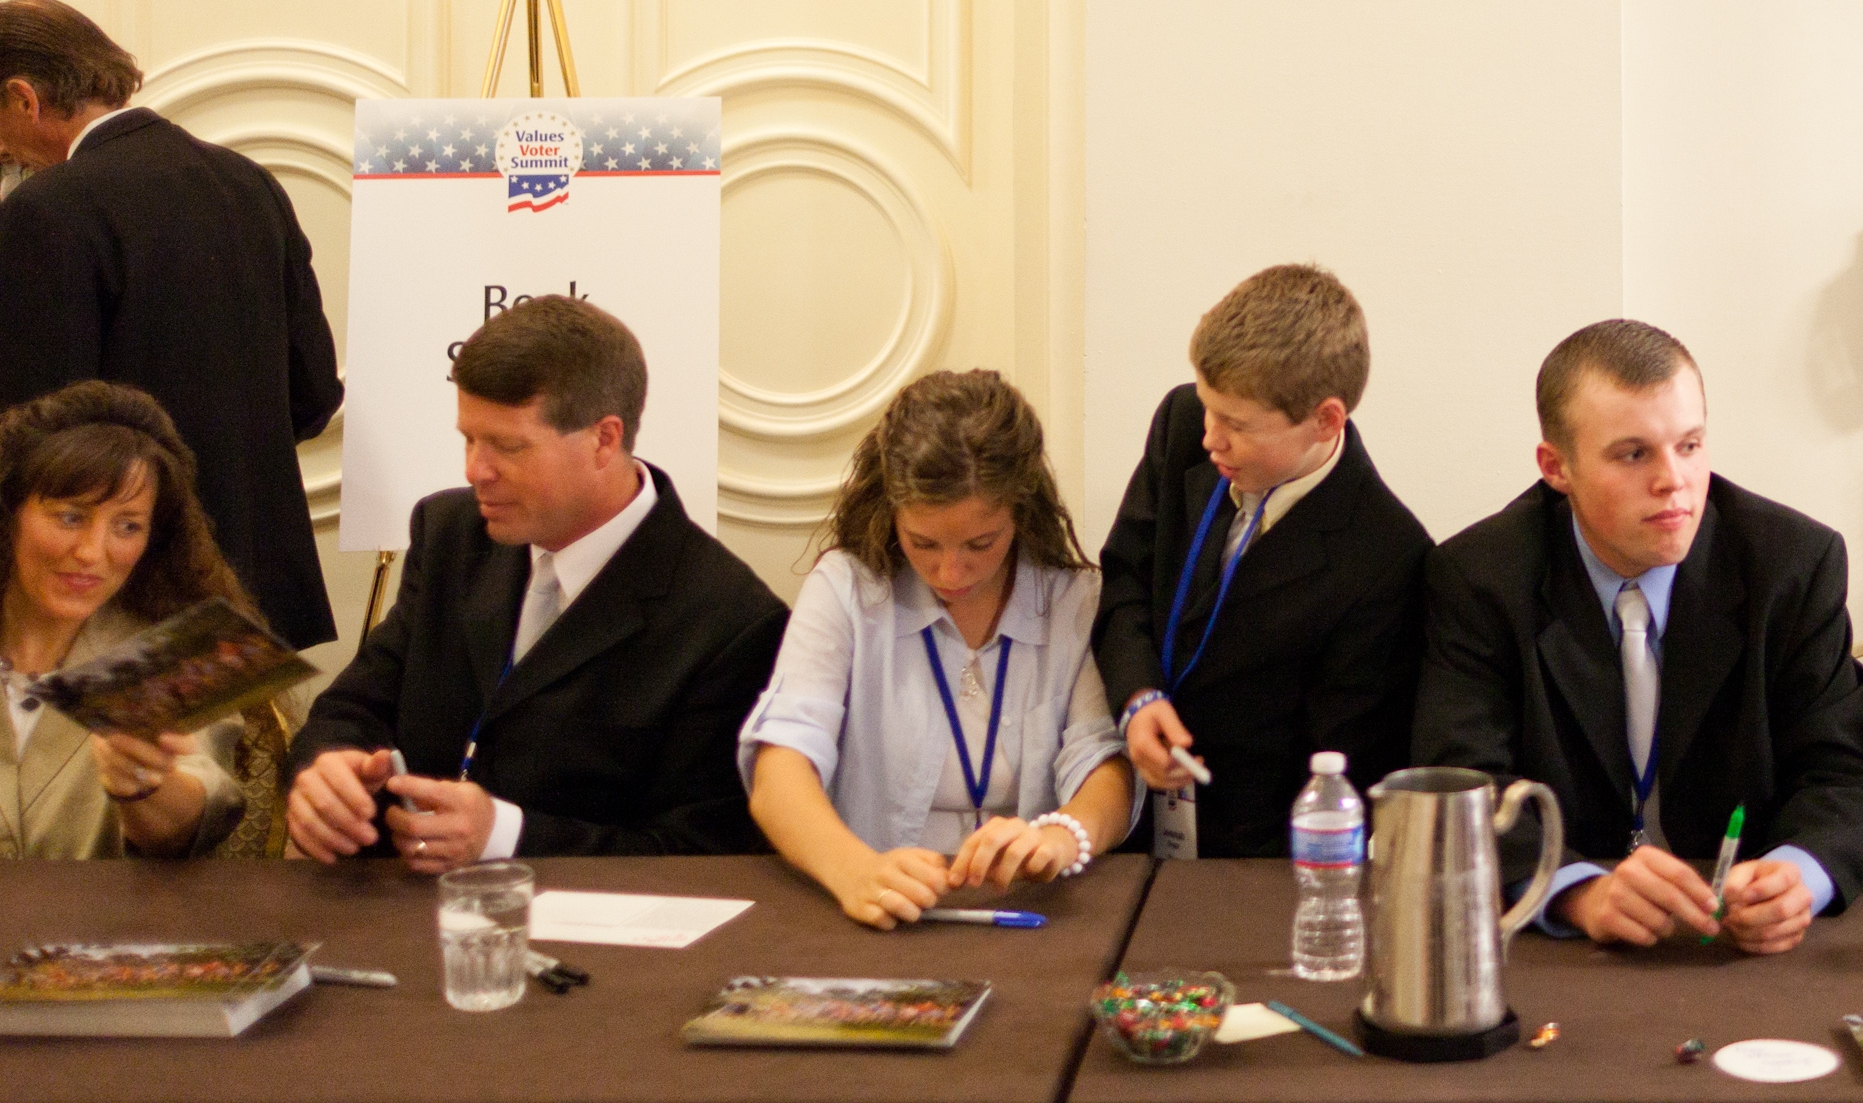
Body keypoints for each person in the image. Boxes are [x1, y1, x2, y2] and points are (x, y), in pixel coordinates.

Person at [1413, 319, 1863, 954]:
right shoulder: (1482, 579)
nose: (1673, 481)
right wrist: (1578, 890)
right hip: (1566, 951)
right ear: (1557, 467)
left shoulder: (1792, 565)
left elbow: (1839, 775)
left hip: (1742, 941)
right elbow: (1463, 793)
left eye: (1689, 446)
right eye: (1633, 454)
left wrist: (1799, 876)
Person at [286, 298, 786, 867]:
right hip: (398, 918)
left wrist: (506, 837)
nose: (475, 469)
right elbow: (357, 704)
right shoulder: (450, 533)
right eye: (469, 439)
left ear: (604, 440)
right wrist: (329, 765)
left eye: (508, 445)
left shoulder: (730, 621)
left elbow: (702, 856)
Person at [0, 0, 343, 648]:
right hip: (256, 598)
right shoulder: (249, 183)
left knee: (127, 756)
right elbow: (315, 394)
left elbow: (32, 432)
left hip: (122, 599)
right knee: (226, 753)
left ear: (23, 98)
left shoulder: (47, 210)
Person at [742, 371, 1133, 927]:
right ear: (889, 510)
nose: (951, 572)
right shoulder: (848, 588)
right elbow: (781, 764)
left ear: (1021, 512)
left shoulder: (1072, 597)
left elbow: (1104, 761)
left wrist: (1062, 836)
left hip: (1028, 912)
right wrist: (853, 869)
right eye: (922, 543)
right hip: (874, 911)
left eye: (981, 543)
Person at [1093, 265, 1431, 858]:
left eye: (1237, 425)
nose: (1209, 438)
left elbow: (1338, 769)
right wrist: (1138, 695)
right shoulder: (1179, 424)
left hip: (1257, 861)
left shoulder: (1386, 556)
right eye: (1207, 408)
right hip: (1134, 822)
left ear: (1326, 419)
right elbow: (1125, 580)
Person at [0, 383, 255, 859]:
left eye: (128, 526)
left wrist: (142, 788)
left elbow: (198, 820)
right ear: (9, 513)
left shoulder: (174, 653)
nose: (93, 554)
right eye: (70, 517)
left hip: (99, 931)